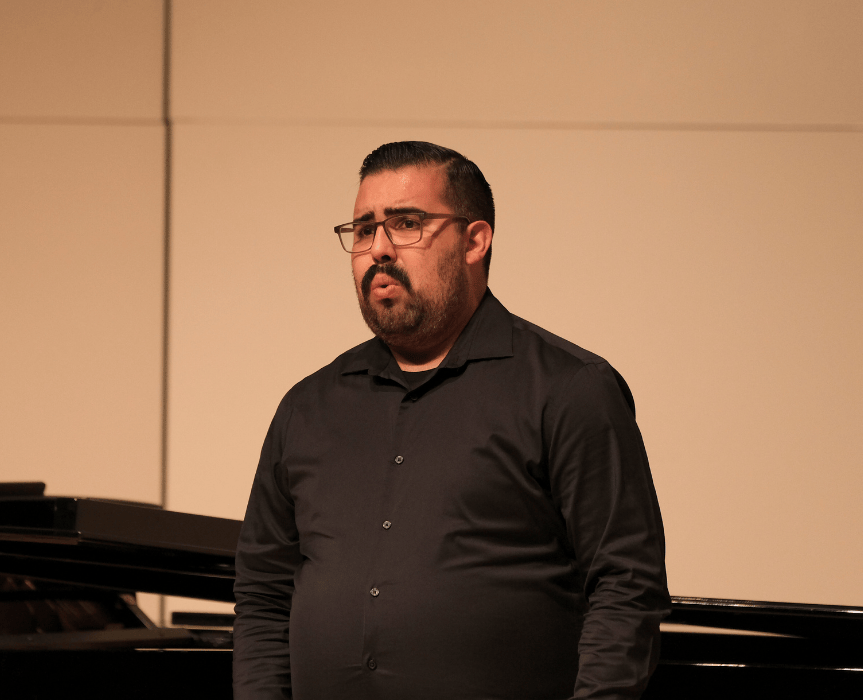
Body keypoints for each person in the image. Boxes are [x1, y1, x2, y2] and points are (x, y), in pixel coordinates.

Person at [233, 141, 669, 700]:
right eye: (363, 229)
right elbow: (264, 591)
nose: (378, 249)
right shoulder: (307, 406)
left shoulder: (569, 389)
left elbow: (625, 585)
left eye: (406, 223)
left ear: (475, 240)